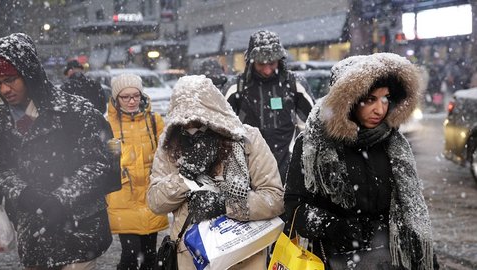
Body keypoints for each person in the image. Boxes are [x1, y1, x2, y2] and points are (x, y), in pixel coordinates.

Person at [285, 53, 436, 269]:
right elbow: (293, 205)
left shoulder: (393, 142)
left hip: (390, 259)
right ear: (348, 102)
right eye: (370, 99)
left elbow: (412, 209)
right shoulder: (313, 144)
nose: (380, 109)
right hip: (335, 259)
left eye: (385, 99)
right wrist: (330, 225)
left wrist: (422, 253)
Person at [0, 33, 116, 269]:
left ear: (29, 73)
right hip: (33, 233)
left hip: (80, 231)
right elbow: (0, 167)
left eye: (11, 79)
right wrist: (23, 193)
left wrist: (61, 198)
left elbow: (98, 163)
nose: (4, 89)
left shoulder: (76, 111)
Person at [147, 75, 284, 269]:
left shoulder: (246, 139)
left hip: (244, 254)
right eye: (184, 124)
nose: (190, 129)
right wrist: (185, 178)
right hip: (192, 255)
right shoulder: (170, 145)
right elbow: (155, 202)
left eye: (199, 123)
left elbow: (274, 199)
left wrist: (225, 205)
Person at [225, 30, 314, 184]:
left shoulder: (295, 85)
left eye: (271, 63)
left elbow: (310, 130)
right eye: (261, 64)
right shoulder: (236, 88)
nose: (267, 70)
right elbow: (224, 132)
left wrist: (301, 166)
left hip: (289, 172)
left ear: (280, 60)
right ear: (251, 61)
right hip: (248, 174)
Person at [106, 73, 168, 270]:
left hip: (150, 195)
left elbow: (165, 153)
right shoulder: (107, 123)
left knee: (150, 257)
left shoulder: (154, 120)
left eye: (136, 96)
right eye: (126, 97)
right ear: (116, 99)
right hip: (124, 196)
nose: (132, 101)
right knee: (130, 256)